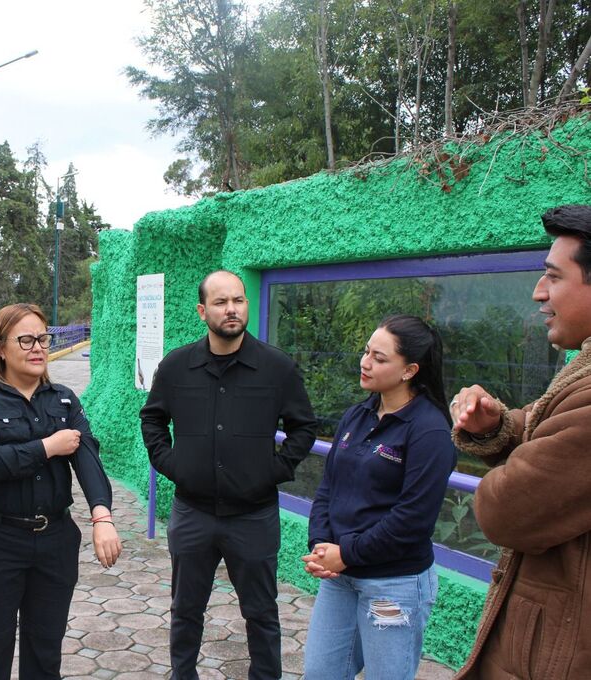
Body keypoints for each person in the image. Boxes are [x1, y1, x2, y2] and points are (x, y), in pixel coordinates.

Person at [140, 270, 317, 680]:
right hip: (192, 514)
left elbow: (304, 427)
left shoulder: (276, 367)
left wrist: (274, 470)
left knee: (261, 612)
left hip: (254, 516)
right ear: (203, 311)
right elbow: (153, 419)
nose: (231, 309)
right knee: (186, 610)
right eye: (220, 302)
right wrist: (172, 465)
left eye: (238, 300)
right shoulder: (176, 366)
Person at [451, 205, 591, 679]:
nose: (538, 292)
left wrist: (510, 469)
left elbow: (506, 509)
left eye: (553, 276)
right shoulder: (581, 370)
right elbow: (539, 421)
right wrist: (494, 426)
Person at [0, 303, 122, 680]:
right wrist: (47, 447)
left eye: (43, 339)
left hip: (54, 542)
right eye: (26, 340)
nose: (38, 348)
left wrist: (102, 515)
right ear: (1, 347)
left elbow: (87, 456)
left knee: (45, 653)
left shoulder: (64, 399)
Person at [301, 315, 457, 679]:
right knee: (321, 673)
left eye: (379, 357)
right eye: (366, 351)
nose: (365, 362)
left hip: (393, 584)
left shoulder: (430, 431)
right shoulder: (358, 415)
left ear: (409, 371)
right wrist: (321, 543)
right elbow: (328, 487)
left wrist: (346, 553)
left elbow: (411, 521)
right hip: (340, 577)